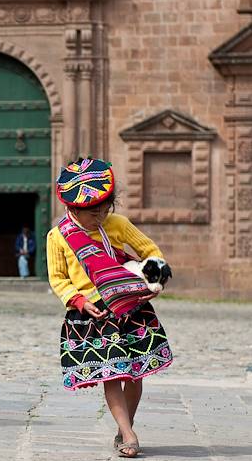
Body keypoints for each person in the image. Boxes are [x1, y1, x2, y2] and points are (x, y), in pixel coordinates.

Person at [47, 158, 173, 458]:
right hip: (93, 316)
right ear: (73, 209)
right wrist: (79, 301)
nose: (101, 214)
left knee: (135, 374)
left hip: (130, 310)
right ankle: (128, 434)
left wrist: (153, 281)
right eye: (94, 211)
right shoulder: (58, 237)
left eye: (106, 207)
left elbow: (150, 252)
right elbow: (58, 279)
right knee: (112, 374)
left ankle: (123, 425)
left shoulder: (118, 225)